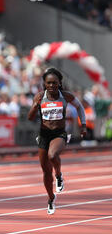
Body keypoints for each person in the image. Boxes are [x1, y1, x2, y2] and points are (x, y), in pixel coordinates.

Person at [28, 68, 87, 215]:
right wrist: (35, 107)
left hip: (59, 134)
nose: (52, 86)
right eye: (49, 83)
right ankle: (50, 198)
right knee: (46, 171)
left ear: (60, 83)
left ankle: (59, 175)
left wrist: (83, 125)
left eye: (55, 83)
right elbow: (29, 118)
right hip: (44, 134)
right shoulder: (40, 97)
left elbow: (80, 107)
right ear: (45, 84)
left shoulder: (66, 96)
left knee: (52, 155)